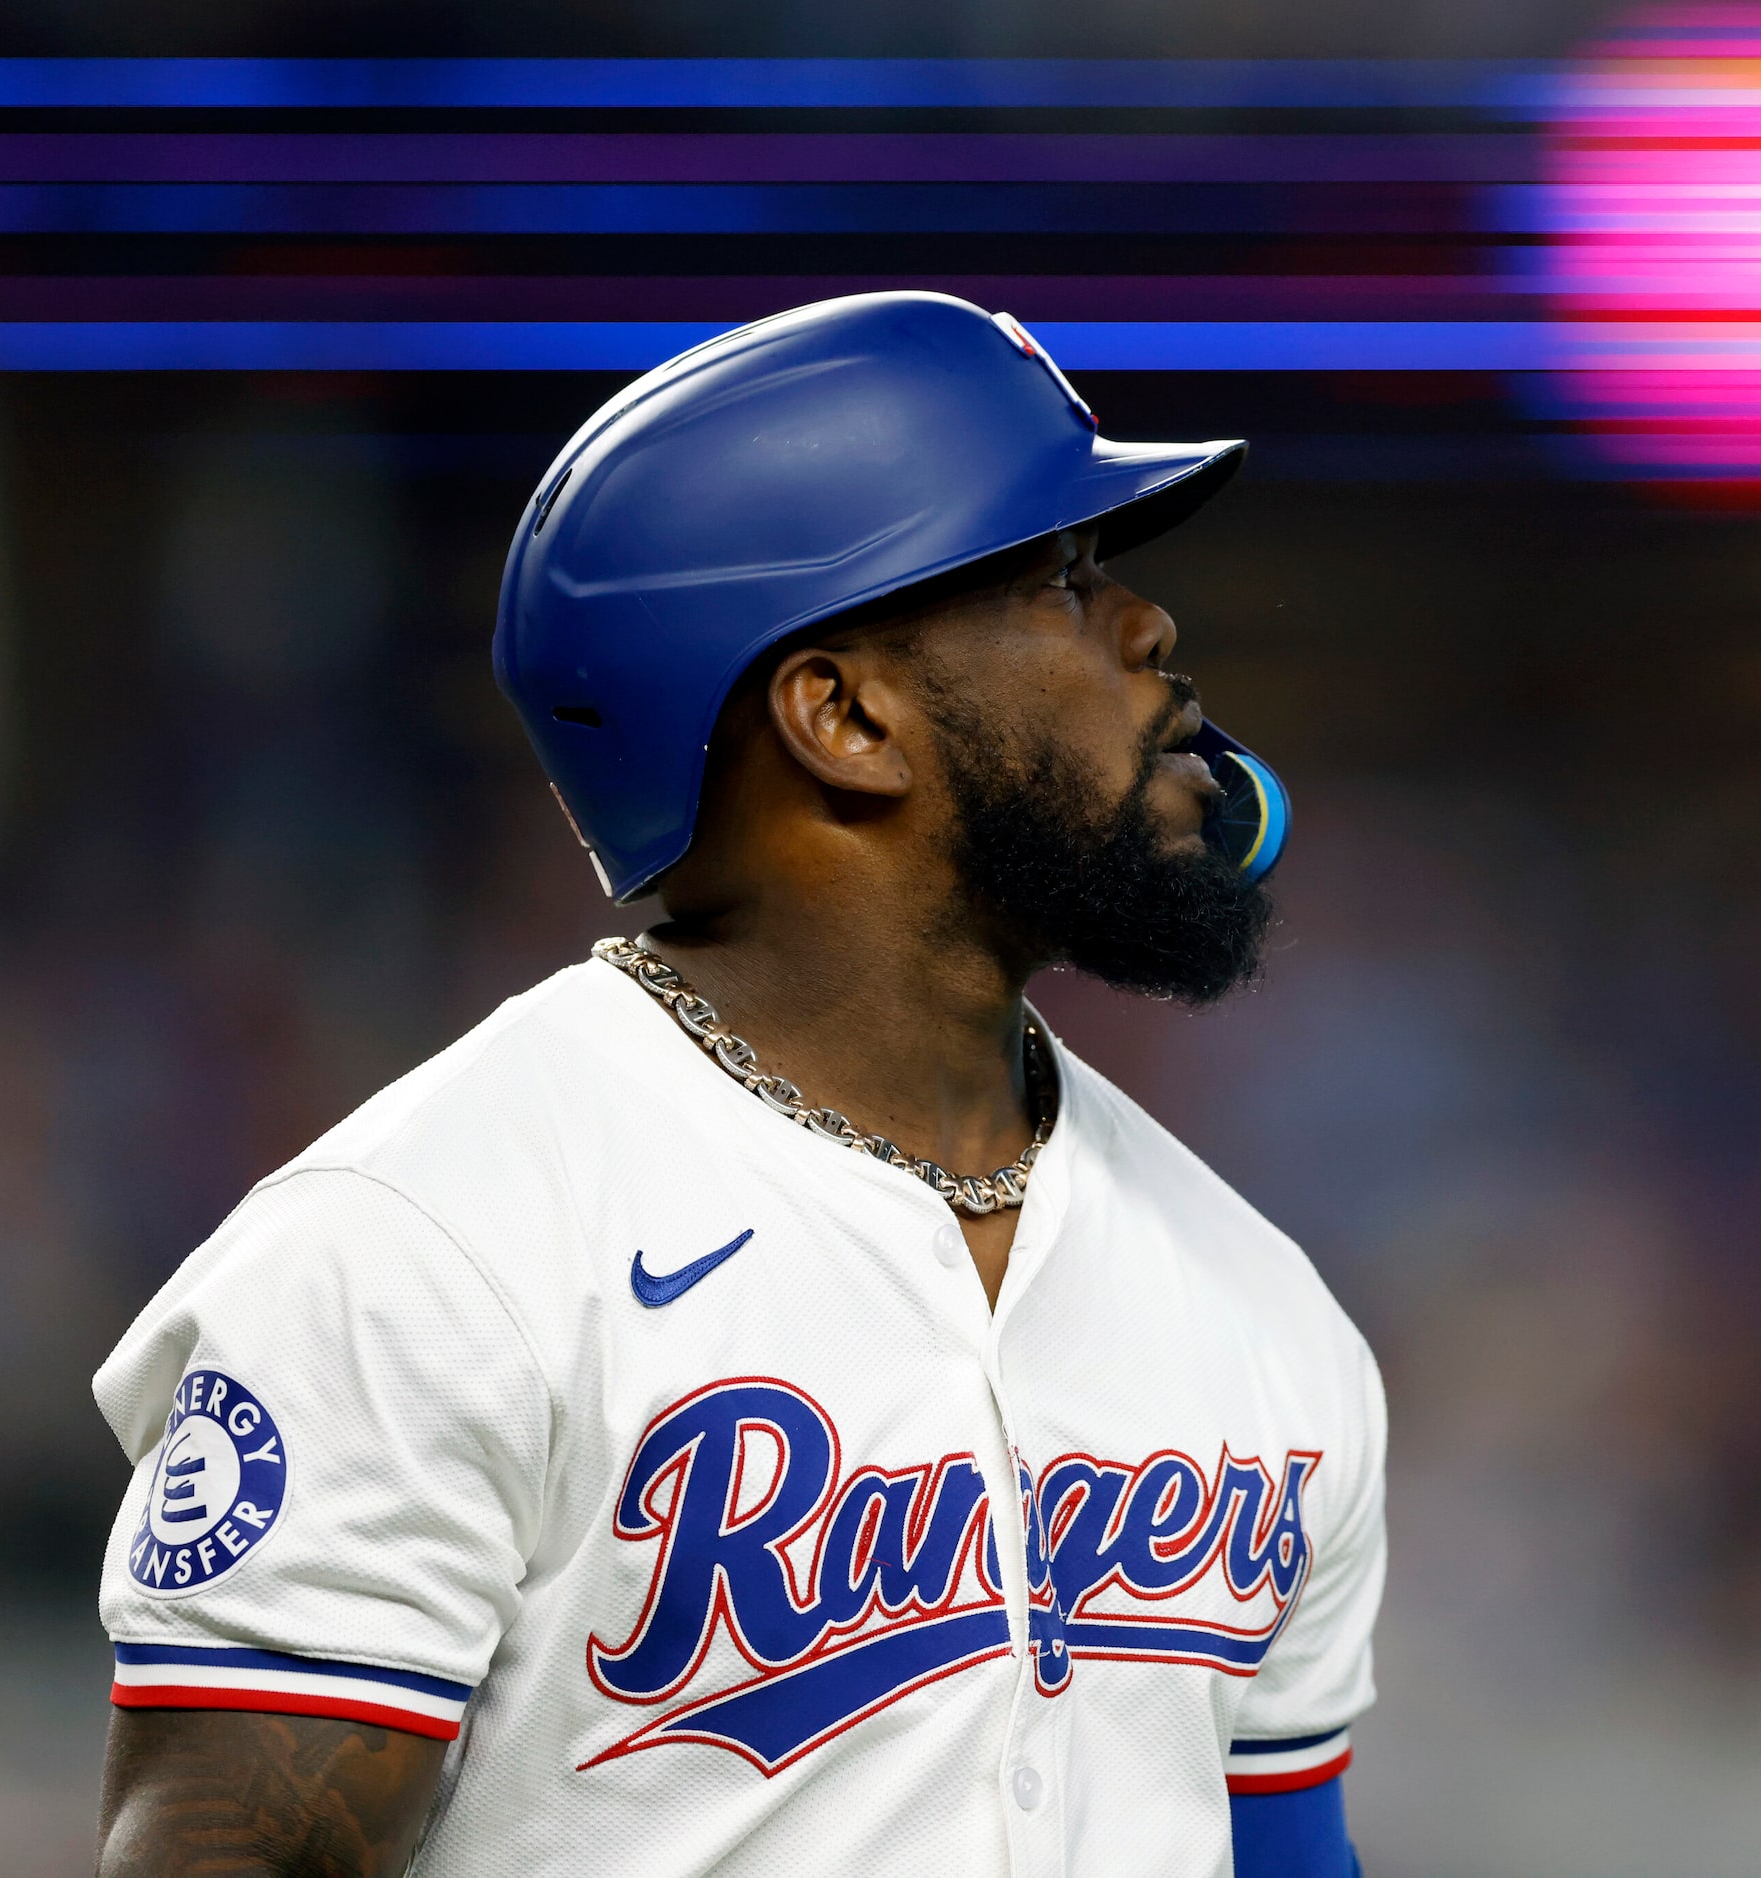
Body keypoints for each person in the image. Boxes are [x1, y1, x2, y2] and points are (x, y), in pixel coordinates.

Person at [90, 293, 1383, 1878]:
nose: (1145, 629)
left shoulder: (1258, 1304)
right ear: (841, 716)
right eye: (1058, 578)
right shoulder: (422, 1252)